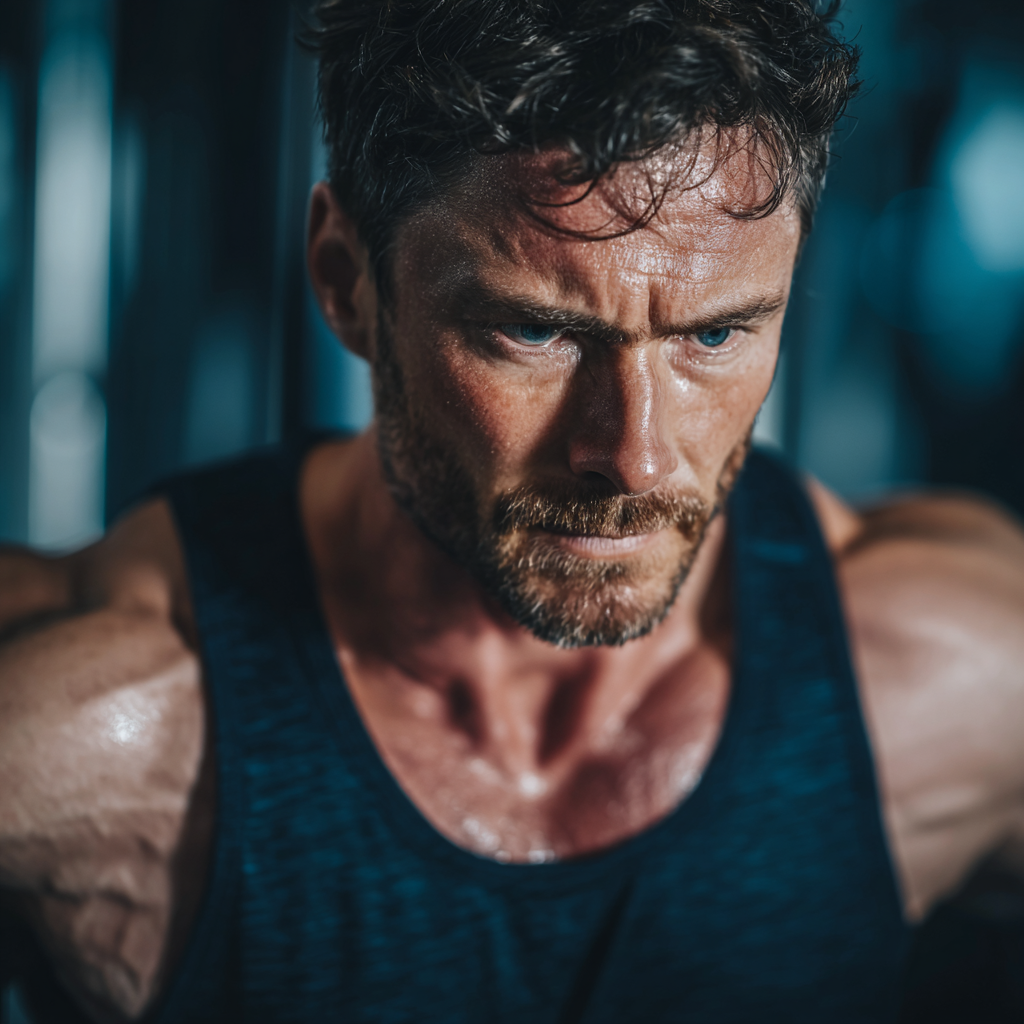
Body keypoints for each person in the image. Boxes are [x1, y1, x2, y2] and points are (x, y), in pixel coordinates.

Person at [2, 0, 1024, 1020]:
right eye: (535, 332)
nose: (633, 454)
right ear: (346, 281)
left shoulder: (947, 672)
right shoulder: (89, 728)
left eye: (713, 336)